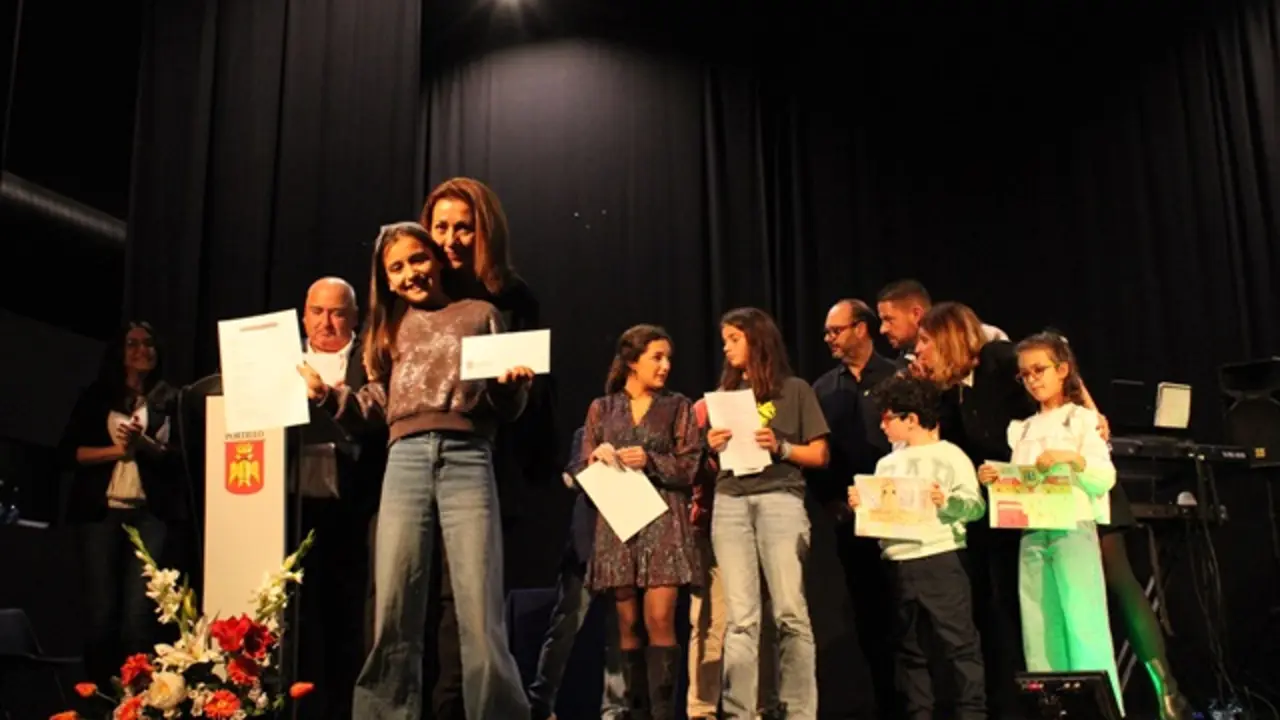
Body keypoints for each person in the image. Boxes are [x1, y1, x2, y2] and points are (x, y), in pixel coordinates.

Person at [297, 221, 532, 719]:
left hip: (468, 456)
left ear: (435, 257)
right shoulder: (389, 328)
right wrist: (327, 397)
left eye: (416, 260)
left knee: (479, 607)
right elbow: (374, 404)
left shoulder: (480, 314)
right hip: (403, 461)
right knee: (394, 607)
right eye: (396, 268)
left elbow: (506, 407)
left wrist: (511, 387)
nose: (410, 274)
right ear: (386, 279)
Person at [419, 177, 558, 720]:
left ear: (484, 231)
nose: (450, 239)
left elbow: (537, 401)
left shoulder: (514, 299)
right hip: (415, 469)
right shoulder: (414, 293)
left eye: (463, 227)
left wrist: (513, 388)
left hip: (485, 468)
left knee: (469, 609)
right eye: (441, 227)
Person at [978, 332, 1123, 715]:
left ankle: (1103, 710)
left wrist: (1071, 460)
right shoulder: (1022, 429)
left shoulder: (1082, 420)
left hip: (1072, 527)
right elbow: (1024, 482)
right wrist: (1000, 478)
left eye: (1039, 370)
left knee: (1083, 622)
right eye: (1024, 374)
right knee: (1040, 629)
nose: (1032, 379)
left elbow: (1104, 477)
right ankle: (1052, 709)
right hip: (1032, 532)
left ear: (1062, 370)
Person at [912, 301, 1035, 717]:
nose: (919, 352)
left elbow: (1052, 377)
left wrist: (1091, 416)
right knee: (993, 610)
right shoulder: (950, 393)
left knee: (1022, 608)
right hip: (990, 515)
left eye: (925, 342)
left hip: (1033, 505)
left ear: (947, 339)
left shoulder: (1000, 361)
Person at [572, 324, 702, 720]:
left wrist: (651, 461)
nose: (665, 366)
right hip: (619, 523)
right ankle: (636, 711)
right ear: (632, 361)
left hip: (664, 521)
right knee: (626, 623)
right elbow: (582, 465)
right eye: (656, 358)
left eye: (668, 359)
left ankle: (663, 713)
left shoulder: (678, 406)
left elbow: (690, 465)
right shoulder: (602, 408)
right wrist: (595, 461)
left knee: (660, 618)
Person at [706, 307, 829, 720]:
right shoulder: (725, 395)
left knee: (790, 612)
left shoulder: (794, 390)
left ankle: (797, 711)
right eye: (725, 340)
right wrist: (713, 444)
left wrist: (781, 447)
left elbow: (819, 453)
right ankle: (740, 712)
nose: (726, 347)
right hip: (731, 500)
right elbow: (709, 464)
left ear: (756, 339)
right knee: (741, 618)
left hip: (779, 498)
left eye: (733, 339)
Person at [847, 374, 987, 719]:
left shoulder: (949, 455)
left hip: (939, 558)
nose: (882, 425)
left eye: (889, 417)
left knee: (957, 645)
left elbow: (976, 507)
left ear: (911, 419)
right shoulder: (887, 463)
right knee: (909, 649)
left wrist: (947, 501)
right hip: (898, 562)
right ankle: (918, 713)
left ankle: (972, 713)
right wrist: (862, 505)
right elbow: (881, 520)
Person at [59, 321, 184, 692]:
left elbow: (180, 457)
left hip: (150, 515)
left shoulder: (169, 399)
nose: (142, 350)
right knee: (101, 616)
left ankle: (139, 700)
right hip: (102, 515)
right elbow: (69, 453)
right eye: (133, 344)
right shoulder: (96, 397)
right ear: (119, 351)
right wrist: (119, 451)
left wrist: (145, 446)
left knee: (139, 617)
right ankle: (99, 699)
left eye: (149, 344)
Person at [295, 276, 386, 720]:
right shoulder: (284, 361)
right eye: (317, 312)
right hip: (292, 507)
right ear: (304, 313)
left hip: (354, 507)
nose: (326, 322)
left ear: (354, 317)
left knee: (348, 615)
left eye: (337, 313)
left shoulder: (370, 361)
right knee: (299, 618)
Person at [687, 399, 782, 720]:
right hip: (712, 524)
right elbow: (685, 468)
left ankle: (758, 707)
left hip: (763, 524)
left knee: (760, 620)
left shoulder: (777, 402)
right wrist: (707, 447)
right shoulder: (706, 408)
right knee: (709, 620)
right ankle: (702, 709)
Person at [526, 426, 627, 720]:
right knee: (563, 628)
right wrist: (592, 461)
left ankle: (614, 709)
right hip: (586, 549)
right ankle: (541, 705)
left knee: (619, 633)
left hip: (625, 545)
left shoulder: (641, 436)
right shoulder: (588, 432)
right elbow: (570, 476)